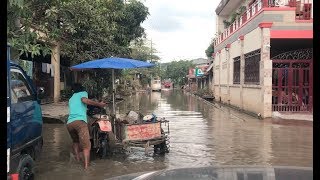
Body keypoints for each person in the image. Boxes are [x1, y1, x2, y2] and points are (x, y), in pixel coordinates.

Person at [66, 83, 106, 169]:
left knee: (75, 141)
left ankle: (77, 159)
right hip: (79, 122)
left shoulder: (71, 98)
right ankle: (86, 168)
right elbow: (85, 100)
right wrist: (99, 104)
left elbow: (80, 106)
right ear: (81, 88)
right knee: (86, 146)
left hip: (69, 123)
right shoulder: (83, 93)